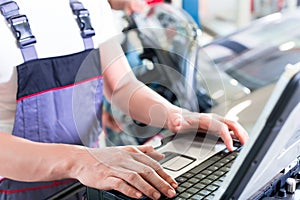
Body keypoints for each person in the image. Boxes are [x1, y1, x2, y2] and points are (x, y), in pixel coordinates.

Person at [0, 0, 249, 199]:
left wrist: (177, 116)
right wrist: (80, 161)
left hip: (91, 187)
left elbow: (122, 86)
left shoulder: (87, 6)